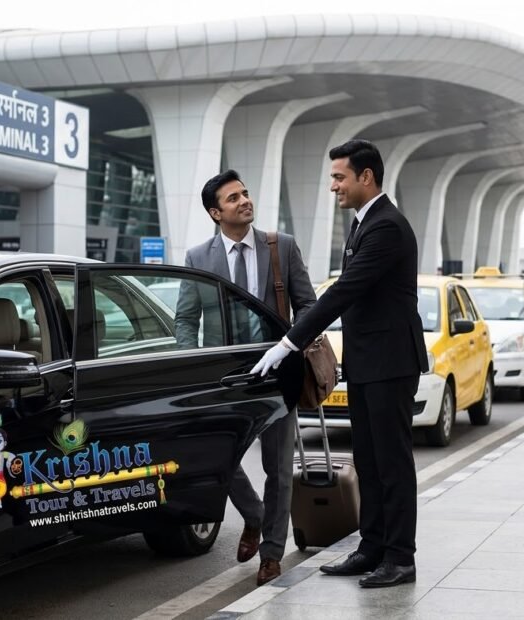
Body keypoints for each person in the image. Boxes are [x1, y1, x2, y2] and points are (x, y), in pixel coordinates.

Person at [251, 139, 429, 589]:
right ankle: (372, 546)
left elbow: (344, 291)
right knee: (368, 461)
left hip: (391, 363)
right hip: (370, 361)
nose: (333, 186)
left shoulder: (386, 226)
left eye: (339, 177)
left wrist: (290, 342)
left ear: (365, 177)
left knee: (391, 463)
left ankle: (400, 558)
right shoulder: (363, 223)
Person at [177, 169, 315, 586]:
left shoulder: (281, 247)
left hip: (278, 375)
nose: (244, 201)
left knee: (278, 469)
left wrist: (290, 343)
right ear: (215, 213)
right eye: (233, 198)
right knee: (221, 458)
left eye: (245, 194)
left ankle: (272, 554)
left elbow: (308, 305)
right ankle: (253, 516)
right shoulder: (199, 257)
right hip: (227, 380)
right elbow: (186, 318)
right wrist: (193, 364)